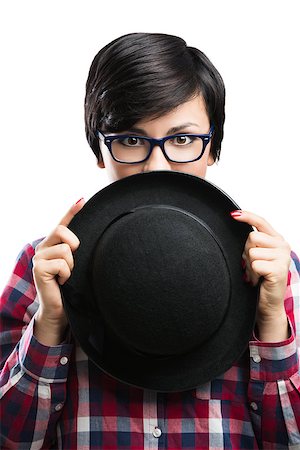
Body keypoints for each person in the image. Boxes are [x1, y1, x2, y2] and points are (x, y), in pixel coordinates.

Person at [0, 32, 299, 450]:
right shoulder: (41, 266)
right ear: (101, 151)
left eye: (182, 140)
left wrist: (270, 325)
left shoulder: (277, 269)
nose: (156, 165)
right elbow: (11, 440)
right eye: (131, 140)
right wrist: (51, 323)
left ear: (212, 147)